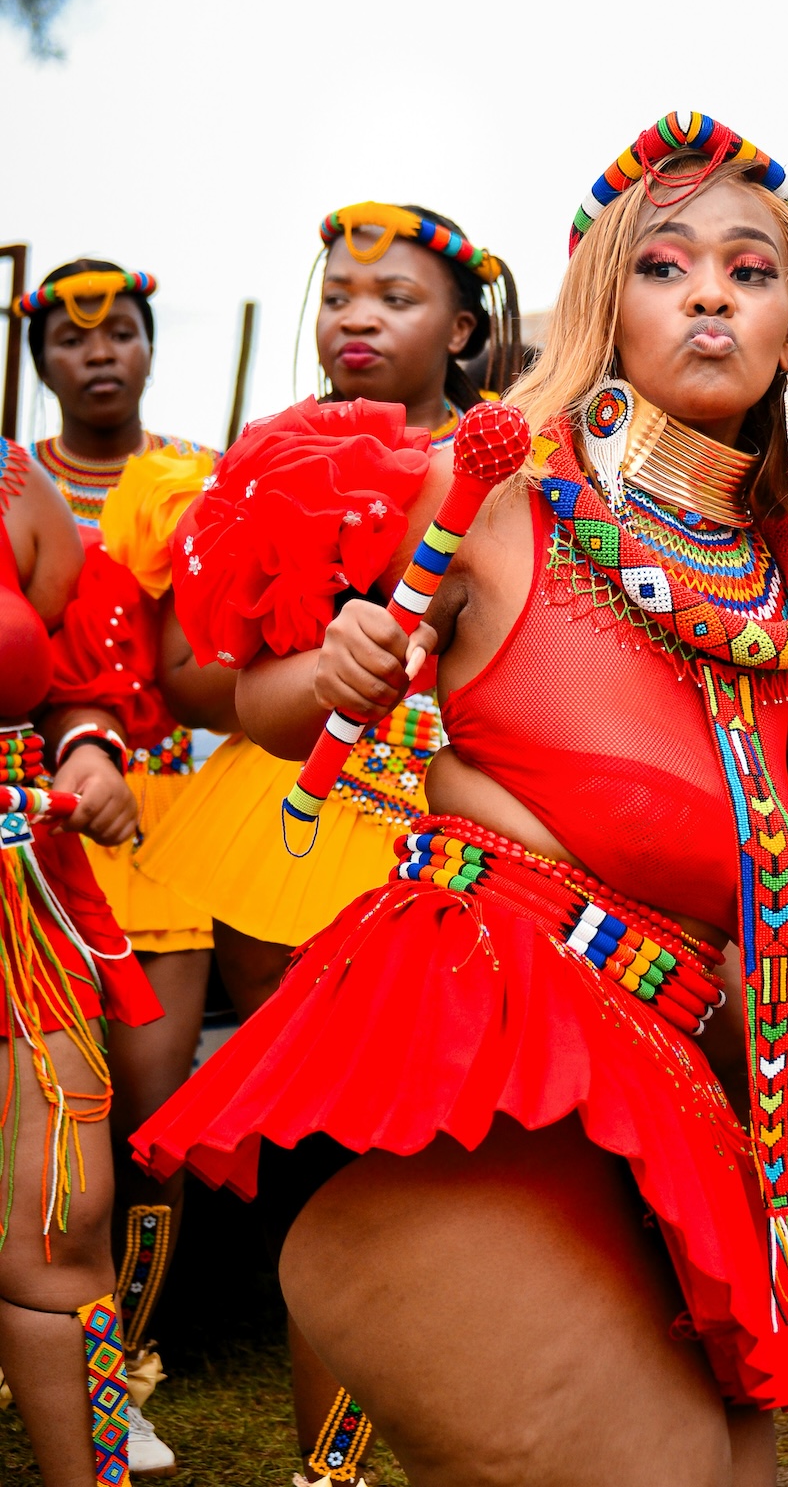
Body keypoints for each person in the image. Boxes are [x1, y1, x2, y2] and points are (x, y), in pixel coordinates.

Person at [133, 113, 788, 1487]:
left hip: (683, 1064)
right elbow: (249, 700)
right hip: (506, 1018)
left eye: (752, 270)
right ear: (605, 305)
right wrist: (335, 668)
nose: (713, 292)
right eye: (667, 267)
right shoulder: (492, 494)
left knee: (730, 1463)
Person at [129, 200, 520, 1486]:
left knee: (455, 1170)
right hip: (294, 830)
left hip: (477, 834)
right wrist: (317, 668)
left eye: (394, 297)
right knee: (336, 1172)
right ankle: (333, 1469)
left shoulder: (524, 458)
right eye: (340, 294)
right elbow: (204, 675)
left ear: (463, 329)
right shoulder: (271, 453)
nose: (358, 315)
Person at [24, 256, 237, 1475]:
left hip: (166, 820)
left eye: (122, 333)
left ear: (153, 349)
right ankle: (49, 1345)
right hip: (42, 831)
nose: (98, 353)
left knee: (151, 1131)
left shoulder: (204, 479)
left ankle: (124, 1378)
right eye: (70, 337)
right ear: (43, 359)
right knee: (55, 1135)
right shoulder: (17, 488)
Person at [0, 426, 163, 1487]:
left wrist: (90, 747)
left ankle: (91, 1475)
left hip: (21, 904)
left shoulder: (13, 484)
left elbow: (79, 676)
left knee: (66, 1218)